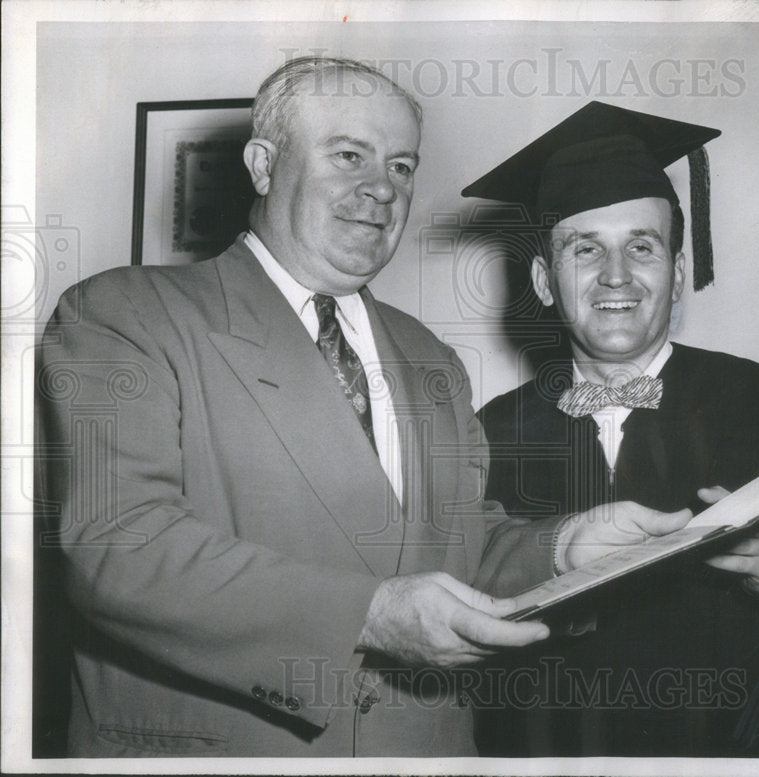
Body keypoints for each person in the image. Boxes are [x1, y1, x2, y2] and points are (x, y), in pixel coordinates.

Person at [37, 59, 681, 758]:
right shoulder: (123, 315)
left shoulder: (432, 359)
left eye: (402, 167)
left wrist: (564, 549)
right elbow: (120, 548)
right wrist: (368, 616)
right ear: (263, 163)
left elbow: (459, 549)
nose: (380, 189)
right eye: (350, 156)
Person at [462, 101, 759, 756]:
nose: (617, 275)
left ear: (679, 272)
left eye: (642, 246)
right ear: (544, 281)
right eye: (585, 249)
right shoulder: (484, 435)